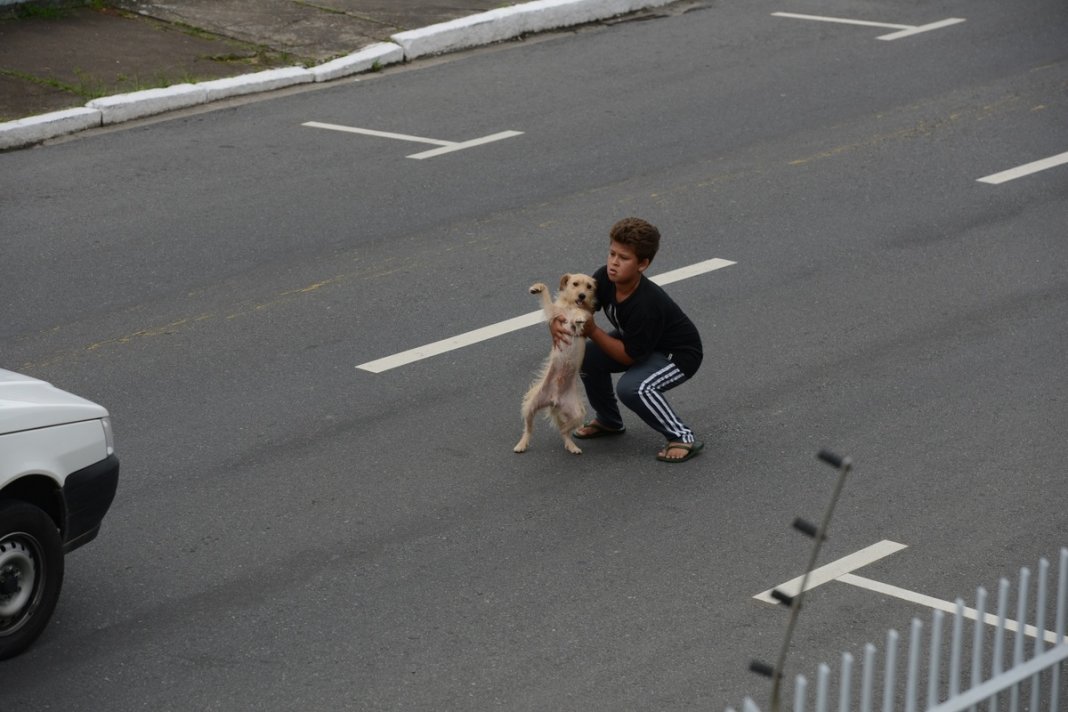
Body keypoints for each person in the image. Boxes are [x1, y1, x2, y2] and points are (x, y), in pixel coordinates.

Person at [551, 217, 704, 463]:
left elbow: (628, 356)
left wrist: (592, 331)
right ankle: (609, 421)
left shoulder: (646, 304)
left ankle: (681, 436)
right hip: (641, 343)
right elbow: (580, 309)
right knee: (587, 357)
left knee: (634, 388)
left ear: (643, 264)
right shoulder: (604, 278)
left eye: (623, 258)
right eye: (612, 253)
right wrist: (558, 324)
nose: (613, 263)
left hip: (677, 356)